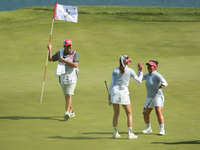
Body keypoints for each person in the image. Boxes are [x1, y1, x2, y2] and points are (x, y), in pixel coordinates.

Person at [109, 55, 143, 139]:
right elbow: (139, 80)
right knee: (129, 113)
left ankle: (114, 133)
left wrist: (109, 95)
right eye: (129, 61)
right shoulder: (130, 70)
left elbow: (112, 84)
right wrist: (141, 71)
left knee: (116, 113)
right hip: (123, 92)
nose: (130, 62)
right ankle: (130, 134)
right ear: (125, 62)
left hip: (114, 91)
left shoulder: (115, 70)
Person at [47, 39, 79, 120]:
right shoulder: (60, 53)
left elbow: (75, 65)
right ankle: (71, 111)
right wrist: (50, 50)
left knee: (69, 94)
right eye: (67, 46)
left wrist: (64, 61)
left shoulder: (74, 53)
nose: (69, 47)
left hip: (72, 77)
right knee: (67, 96)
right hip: (63, 78)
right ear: (64, 46)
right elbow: (50, 59)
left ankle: (67, 112)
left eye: (70, 46)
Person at [141, 60, 168, 135]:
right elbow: (139, 80)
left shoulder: (157, 75)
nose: (149, 67)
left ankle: (162, 129)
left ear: (154, 67)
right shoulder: (147, 75)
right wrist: (140, 71)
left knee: (158, 112)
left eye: (150, 66)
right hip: (149, 97)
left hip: (158, 96)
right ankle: (148, 128)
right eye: (148, 66)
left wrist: (162, 85)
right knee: (145, 113)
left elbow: (165, 82)